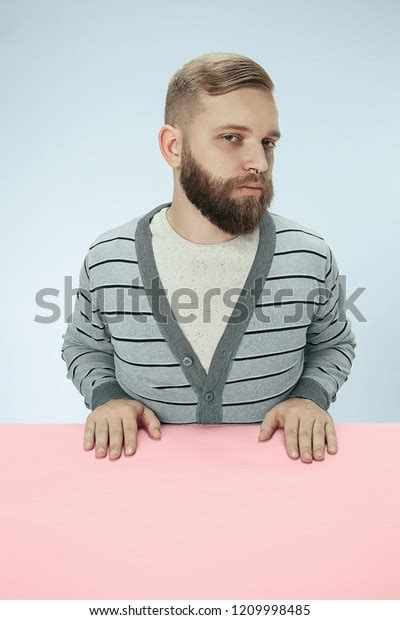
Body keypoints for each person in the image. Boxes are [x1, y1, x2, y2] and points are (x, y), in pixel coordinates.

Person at [61, 52, 357, 464]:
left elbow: (333, 344)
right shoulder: (110, 258)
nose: (258, 162)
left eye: (267, 142)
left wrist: (310, 398)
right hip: (138, 490)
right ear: (173, 146)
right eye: (232, 137)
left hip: (281, 489)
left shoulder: (308, 254)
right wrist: (107, 398)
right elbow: (83, 347)